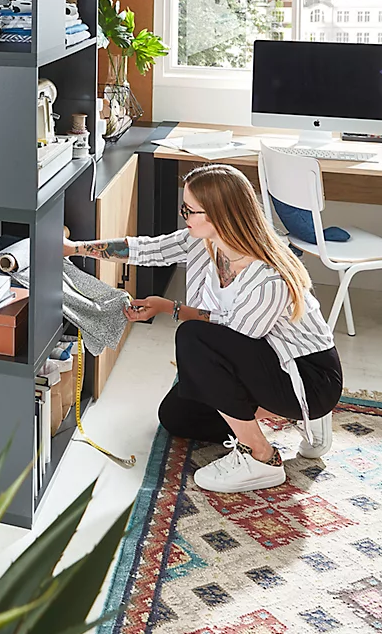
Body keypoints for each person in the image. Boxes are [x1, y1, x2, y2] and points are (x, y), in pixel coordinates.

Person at [64, 163, 342, 493]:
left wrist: (175, 312)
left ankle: (262, 457)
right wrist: (74, 249)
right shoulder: (204, 240)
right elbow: (147, 249)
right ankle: (292, 419)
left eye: (189, 210)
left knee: (194, 340)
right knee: (176, 416)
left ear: (219, 215)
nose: (184, 216)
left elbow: (230, 343)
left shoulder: (268, 278)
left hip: (308, 376)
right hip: (263, 356)